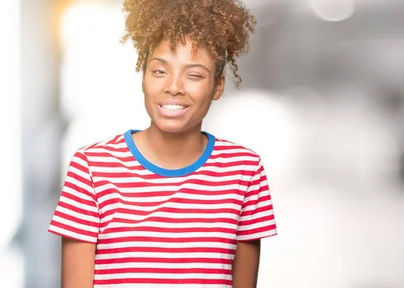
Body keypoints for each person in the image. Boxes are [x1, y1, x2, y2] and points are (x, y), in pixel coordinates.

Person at [47, 0, 278, 287]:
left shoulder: (244, 170)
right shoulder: (92, 168)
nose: (174, 86)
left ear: (218, 86)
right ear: (143, 76)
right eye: (159, 71)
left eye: (194, 75)